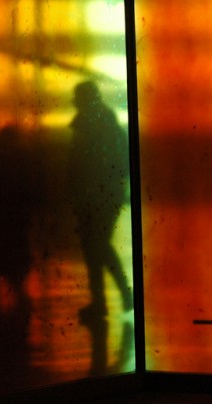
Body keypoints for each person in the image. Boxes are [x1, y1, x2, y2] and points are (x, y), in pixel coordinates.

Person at [68, 81, 133, 373]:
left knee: (95, 248)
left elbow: (80, 163)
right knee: (98, 247)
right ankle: (115, 297)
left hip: (94, 194)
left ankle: (108, 300)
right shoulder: (105, 122)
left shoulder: (90, 125)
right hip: (106, 193)